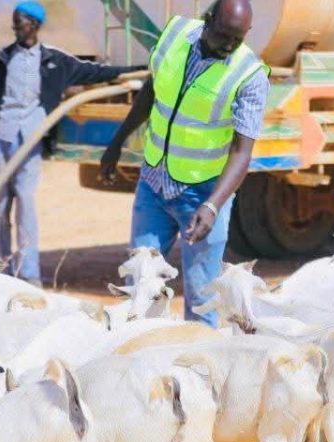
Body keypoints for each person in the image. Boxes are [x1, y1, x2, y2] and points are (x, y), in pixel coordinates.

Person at [99, 0, 267, 326]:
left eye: (238, 39)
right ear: (208, 19)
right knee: (141, 286)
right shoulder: (175, 33)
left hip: (203, 195)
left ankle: (198, 358)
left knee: (202, 298)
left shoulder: (249, 75)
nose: (229, 46)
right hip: (154, 183)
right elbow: (152, 90)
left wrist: (213, 206)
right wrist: (117, 142)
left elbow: (242, 152)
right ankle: (142, 354)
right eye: (224, 35)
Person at [0, 1, 141, 287]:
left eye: (20, 22)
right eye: (14, 22)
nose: (16, 27)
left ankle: (28, 273)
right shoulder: (4, 58)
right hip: (2, 138)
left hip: (30, 141)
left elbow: (93, 72)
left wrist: (134, 69)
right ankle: (3, 269)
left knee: (25, 202)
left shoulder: (54, 61)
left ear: (35, 25)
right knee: (0, 207)